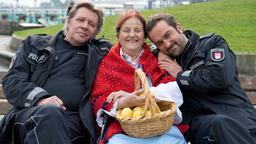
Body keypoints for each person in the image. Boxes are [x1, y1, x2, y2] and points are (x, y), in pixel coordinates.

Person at [0, 2, 112, 144]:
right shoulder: (35, 45)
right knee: (49, 114)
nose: (85, 26)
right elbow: (12, 81)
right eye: (80, 20)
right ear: (69, 21)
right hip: (30, 115)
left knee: (51, 120)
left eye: (91, 24)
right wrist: (40, 98)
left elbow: (131, 50)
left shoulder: (101, 53)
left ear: (95, 31)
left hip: (75, 123)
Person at [146, 13, 256, 144]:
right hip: (203, 127)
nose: (167, 44)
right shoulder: (167, 62)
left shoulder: (211, 43)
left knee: (223, 124)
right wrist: (157, 51)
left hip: (240, 119)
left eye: (168, 35)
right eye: (160, 43)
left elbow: (219, 77)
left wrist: (181, 75)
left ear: (179, 28)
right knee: (219, 124)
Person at [91, 10, 186, 144]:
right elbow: (98, 99)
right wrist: (122, 103)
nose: (132, 35)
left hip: (159, 122)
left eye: (137, 30)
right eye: (126, 30)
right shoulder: (107, 64)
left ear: (144, 36)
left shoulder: (157, 58)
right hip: (122, 128)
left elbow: (174, 89)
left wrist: (139, 99)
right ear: (118, 35)